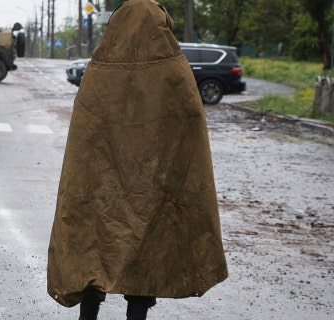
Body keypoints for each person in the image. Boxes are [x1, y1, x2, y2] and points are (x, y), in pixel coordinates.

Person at [46, 1, 228, 319]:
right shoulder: (175, 72)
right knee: (147, 247)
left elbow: (84, 136)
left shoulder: (98, 72)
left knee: (94, 246)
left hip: (102, 188)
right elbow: (189, 123)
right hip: (152, 185)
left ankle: (88, 315)